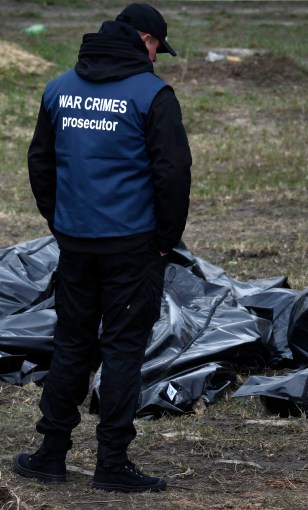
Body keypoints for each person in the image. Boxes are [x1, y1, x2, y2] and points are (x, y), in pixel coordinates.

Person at [13, 2, 191, 493]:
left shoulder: (59, 88)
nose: (157, 57)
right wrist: (165, 241)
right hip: (133, 248)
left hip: (76, 245)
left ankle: (50, 455)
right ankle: (111, 462)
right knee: (122, 352)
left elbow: (40, 163)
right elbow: (173, 172)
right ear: (145, 40)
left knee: (71, 344)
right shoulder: (152, 95)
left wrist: (61, 222)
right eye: (158, 46)